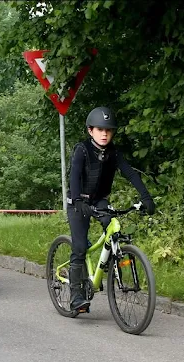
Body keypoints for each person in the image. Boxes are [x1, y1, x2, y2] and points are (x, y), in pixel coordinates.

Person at [67, 106, 156, 313]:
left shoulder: (114, 153)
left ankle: (111, 262)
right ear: (91, 131)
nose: (104, 134)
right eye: (100, 129)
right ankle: (75, 295)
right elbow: (74, 175)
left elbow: (131, 174)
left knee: (113, 227)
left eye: (108, 130)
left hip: (99, 201)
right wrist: (78, 200)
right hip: (78, 202)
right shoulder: (82, 149)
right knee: (79, 246)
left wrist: (146, 197)